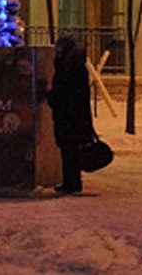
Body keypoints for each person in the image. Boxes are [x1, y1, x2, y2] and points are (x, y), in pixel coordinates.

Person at [47, 35, 97, 194]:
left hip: (70, 116)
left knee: (69, 149)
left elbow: (65, 93)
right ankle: (71, 181)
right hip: (71, 115)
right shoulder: (73, 68)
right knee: (68, 148)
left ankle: (72, 182)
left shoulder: (70, 70)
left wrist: (52, 97)